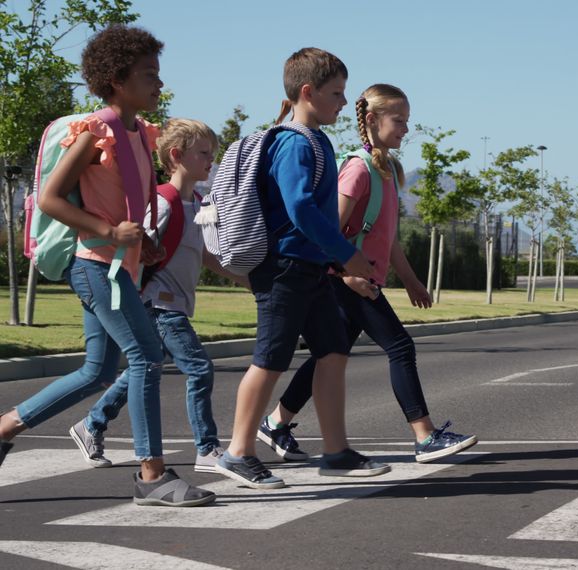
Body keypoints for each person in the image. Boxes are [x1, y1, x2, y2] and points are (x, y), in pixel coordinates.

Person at [0, 25, 214, 507]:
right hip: (98, 266)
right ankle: (152, 475)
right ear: (117, 80)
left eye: (158, 74)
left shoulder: (140, 135)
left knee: (98, 372)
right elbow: (52, 199)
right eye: (149, 75)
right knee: (145, 357)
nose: (159, 84)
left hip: (120, 266)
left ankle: (4, 427)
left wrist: (145, 246)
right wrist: (110, 233)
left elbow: (127, 208)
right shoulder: (98, 131)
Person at [261, 83, 477, 464]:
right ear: (373, 120)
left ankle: (277, 422)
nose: (406, 129)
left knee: (331, 353)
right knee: (400, 347)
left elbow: (388, 238)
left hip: (361, 279)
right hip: (346, 280)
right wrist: (345, 276)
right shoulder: (358, 170)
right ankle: (424, 437)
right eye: (399, 120)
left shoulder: (388, 170)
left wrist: (411, 280)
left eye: (408, 121)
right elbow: (330, 227)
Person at [214, 47, 386, 490]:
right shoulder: (293, 142)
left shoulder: (317, 140)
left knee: (333, 352)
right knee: (270, 359)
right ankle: (238, 452)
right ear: (307, 92)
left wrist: (335, 263)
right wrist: (346, 255)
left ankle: (336, 450)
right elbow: (300, 208)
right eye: (337, 93)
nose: (344, 103)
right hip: (285, 269)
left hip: (310, 269)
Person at [70, 118, 243, 474]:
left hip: (172, 303)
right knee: (199, 368)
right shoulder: (163, 204)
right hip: (159, 303)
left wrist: (242, 279)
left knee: (140, 370)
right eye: (204, 153)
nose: (212, 159)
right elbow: (135, 252)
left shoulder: (195, 202)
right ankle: (207, 449)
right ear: (177, 156)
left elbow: (204, 254)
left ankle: (92, 424)